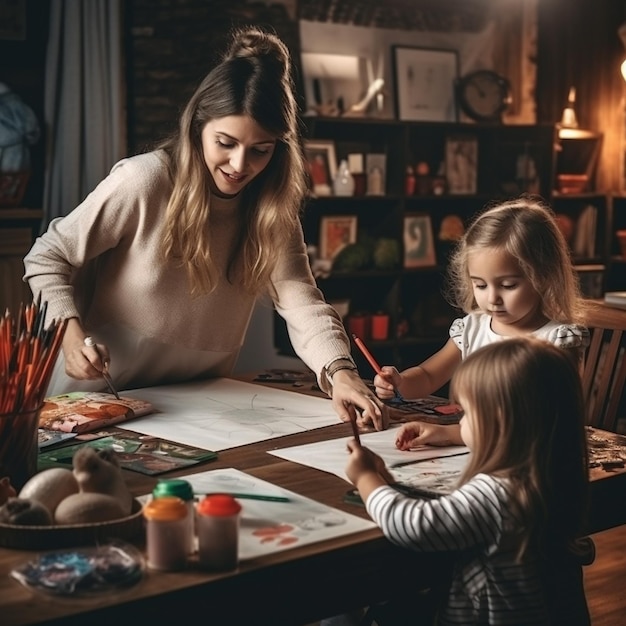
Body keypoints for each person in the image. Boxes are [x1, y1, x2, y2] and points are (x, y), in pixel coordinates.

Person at [22, 26, 385, 430]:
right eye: (225, 143)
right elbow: (46, 256)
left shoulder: (272, 209)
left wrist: (341, 373)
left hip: (197, 408)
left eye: (260, 150)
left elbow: (301, 298)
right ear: (197, 128)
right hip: (94, 398)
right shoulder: (143, 181)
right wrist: (71, 338)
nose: (239, 165)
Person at [346, 337, 592, 625]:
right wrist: (386, 482)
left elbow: (413, 526)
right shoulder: (552, 475)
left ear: (500, 424)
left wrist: (366, 479)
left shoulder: (497, 492)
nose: (460, 423)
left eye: (467, 414)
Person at [374, 196, 589, 447]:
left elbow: (544, 421)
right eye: (480, 285)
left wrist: (452, 434)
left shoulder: (556, 341)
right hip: (475, 447)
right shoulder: (473, 328)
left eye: (508, 285)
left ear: (543, 276)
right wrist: (400, 384)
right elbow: (429, 376)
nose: (492, 298)